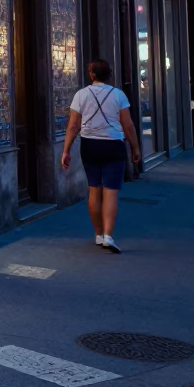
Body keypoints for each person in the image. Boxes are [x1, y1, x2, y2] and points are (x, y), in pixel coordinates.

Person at [62, 59, 142, 253]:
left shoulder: (81, 95)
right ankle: (108, 235)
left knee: (94, 190)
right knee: (111, 191)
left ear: (92, 74)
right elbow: (128, 125)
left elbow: (73, 125)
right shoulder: (118, 95)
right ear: (109, 75)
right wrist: (136, 148)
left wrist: (66, 150)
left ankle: (98, 234)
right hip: (113, 145)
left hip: (89, 145)